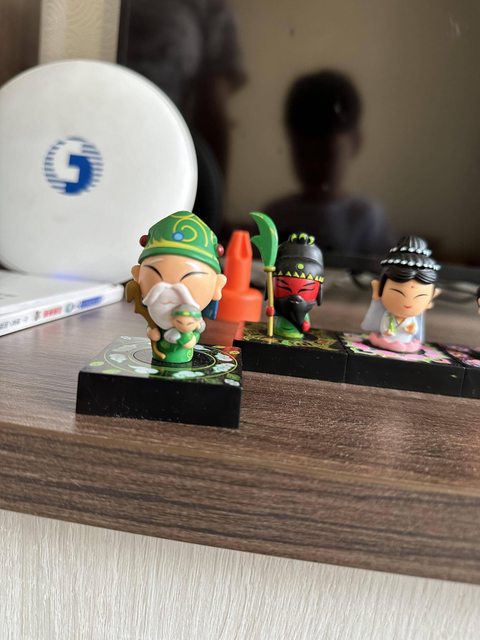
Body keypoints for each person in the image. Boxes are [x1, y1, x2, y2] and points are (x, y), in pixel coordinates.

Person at [264, 70, 395, 256]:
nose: (313, 164)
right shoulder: (274, 216)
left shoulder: (367, 219)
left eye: (326, 153)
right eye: (302, 152)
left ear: (356, 142)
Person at [129, 211, 227, 363]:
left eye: (187, 279)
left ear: (217, 286)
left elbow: (194, 333)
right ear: (137, 276)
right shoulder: (155, 318)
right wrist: (152, 331)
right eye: (156, 274)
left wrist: (191, 339)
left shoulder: (194, 323)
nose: (169, 290)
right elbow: (153, 326)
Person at [361, 236, 441, 353]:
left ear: (432, 297)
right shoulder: (388, 316)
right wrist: (387, 331)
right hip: (388, 338)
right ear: (378, 289)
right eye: (398, 292)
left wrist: (411, 329)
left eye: (420, 296)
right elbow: (384, 325)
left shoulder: (411, 319)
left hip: (406, 340)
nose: (408, 302)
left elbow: (414, 329)